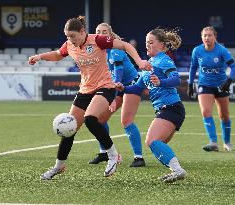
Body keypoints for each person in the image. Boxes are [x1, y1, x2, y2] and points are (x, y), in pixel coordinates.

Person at [28, 16, 151, 180]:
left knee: (91, 119)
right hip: (85, 90)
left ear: (82, 32)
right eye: (67, 36)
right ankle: (59, 166)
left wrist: (139, 61)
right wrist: (40, 57)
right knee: (69, 129)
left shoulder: (98, 40)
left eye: (72, 36)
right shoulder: (70, 45)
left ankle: (113, 155)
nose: (70, 39)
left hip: (105, 87)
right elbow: (58, 54)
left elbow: (125, 45)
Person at [116, 28, 187, 183]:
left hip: (171, 108)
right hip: (165, 109)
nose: (147, 45)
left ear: (161, 44)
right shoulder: (149, 64)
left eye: (151, 42)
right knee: (157, 143)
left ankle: (178, 170)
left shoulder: (164, 60)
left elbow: (176, 80)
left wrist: (162, 82)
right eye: (146, 42)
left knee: (151, 140)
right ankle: (175, 170)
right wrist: (124, 88)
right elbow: (137, 88)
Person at [88, 22, 145, 167]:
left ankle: (139, 157)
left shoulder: (115, 47)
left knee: (126, 121)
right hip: (116, 86)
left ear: (110, 34)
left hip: (131, 84)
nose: (101, 34)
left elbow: (118, 72)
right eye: (98, 31)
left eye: (104, 32)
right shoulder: (97, 50)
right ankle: (104, 153)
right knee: (100, 120)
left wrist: (112, 95)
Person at [187, 26, 235, 152]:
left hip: (221, 85)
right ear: (201, 37)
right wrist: (190, 84)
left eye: (210, 35)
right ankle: (213, 142)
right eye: (205, 35)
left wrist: (229, 81)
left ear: (215, 37)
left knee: (224, 116)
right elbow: (193, 68)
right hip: (204, 85)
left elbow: (234, 67)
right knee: (205, 112)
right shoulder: (197, 51)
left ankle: (227, 142)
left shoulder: (222, 51)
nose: (207, 38)